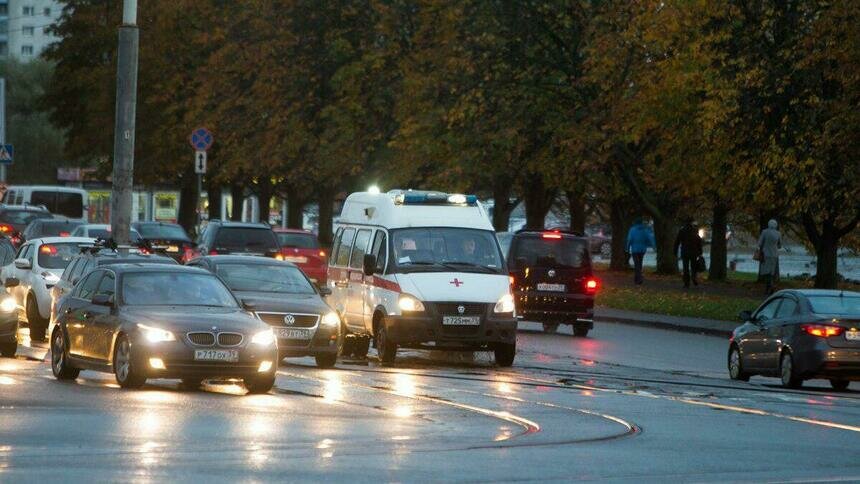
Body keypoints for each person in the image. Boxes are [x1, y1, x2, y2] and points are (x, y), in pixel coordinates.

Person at [626, 217, 656, 285]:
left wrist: (627, 248)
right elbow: (650, 238)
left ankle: (638, 279)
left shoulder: (632, 229)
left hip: (635, 249)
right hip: (642, 249)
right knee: (640, 263)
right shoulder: (645, 229)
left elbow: (629, 239)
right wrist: (654, 247)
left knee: (637, 264)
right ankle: (637, 278)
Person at [674, 220, 703, 288]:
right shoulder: (695, 230)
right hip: (694, 252)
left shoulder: (682, 231)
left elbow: (677, 241)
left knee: (685, 268)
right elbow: (698, 241)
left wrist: (675, 251)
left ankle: (686, 283)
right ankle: (693, 278)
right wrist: (700, 251)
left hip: (685, 251)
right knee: (693, 267)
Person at [758, 219, 782, 295]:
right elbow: (780, 245)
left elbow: (760, 243)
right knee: (771, 272)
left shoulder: (764, 232)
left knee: (766, 272)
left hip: (766, 254)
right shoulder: (778, 233)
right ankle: (769, 288)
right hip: (774, 255)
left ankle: (770, 286)